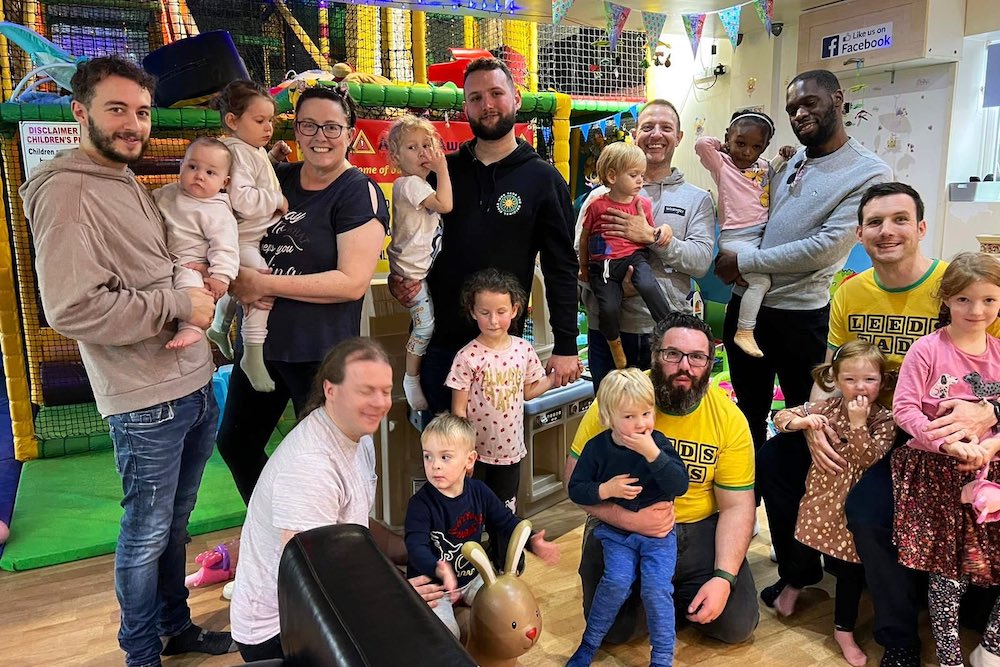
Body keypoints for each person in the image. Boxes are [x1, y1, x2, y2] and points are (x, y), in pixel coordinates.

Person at [20, 56, 233, 666]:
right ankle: (140, 652)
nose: (132, 124)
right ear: (80, 112)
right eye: (117, 109)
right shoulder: (65, 191)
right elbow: (71, 308)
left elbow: (160, 263)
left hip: (190, 384)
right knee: (145, 534)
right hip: (144, 399)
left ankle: (174, 627)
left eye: (141, 111)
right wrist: (180, 302)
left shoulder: (121, 178)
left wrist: (197, 290)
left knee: (174, 525)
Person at [758, 182, 1000, 667]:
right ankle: (800, 570)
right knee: (774, 460)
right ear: (860, 234)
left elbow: (988, 374)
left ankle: (899, 634)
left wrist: (989, 413)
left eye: (900, 220)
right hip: (856, 421)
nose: (887, 231)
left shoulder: (957, 292)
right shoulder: (851, 291)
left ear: (921, 228)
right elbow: (829, 372)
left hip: (916, 437)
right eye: (875, 222)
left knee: (869, 512)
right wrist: (815, 427)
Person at [217, 84, 389, 505]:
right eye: (308, 125)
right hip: (262, 346)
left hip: (319, 353)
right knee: (237, 445)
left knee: (322, 463)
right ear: (294, 130)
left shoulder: (356, 191)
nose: (320, 136)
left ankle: (325, 552)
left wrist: (264, 284)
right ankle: (276, 529)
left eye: (332, 126)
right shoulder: (280, 177)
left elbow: (351, 282)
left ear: (350, 132)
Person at [230, 338, 447, 661]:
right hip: (280, 629)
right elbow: (310, 584)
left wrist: (413, 549)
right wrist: (397, 598)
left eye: (385, 390)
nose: (380, 402)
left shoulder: (358, 437)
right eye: (365, 390)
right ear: (330, 390)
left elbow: (351, 528)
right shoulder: (310, 466)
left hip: (325, 593)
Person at [389, 58, 581, 414]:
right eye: (476, 98)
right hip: (442, 344)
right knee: (444, 459)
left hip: (501, 349)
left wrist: (566, 343)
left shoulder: (543, 179)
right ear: (466, 108)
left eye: (496, 93)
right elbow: (409, 236)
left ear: (516, 98)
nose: (487, 104)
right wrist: (397, 278)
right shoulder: (441, 174)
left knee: (500, 459)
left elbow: (561, 267)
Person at [715, 69, 893, 452]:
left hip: (800, 318)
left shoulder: (869, 171)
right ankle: (748, 500)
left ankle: (797, 506)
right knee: (746, 414)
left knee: (807, 415)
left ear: (838, 100)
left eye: (808, 103)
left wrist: (744, 262)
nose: (799, 115)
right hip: (748, 309)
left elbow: (824, 247)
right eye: (792, 109)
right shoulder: (791, 162)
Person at [565, 312, 759, 647]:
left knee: (736, 627)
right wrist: (628, 519)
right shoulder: (617, 400)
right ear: (655, 356)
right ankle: (657, 594)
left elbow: (737, 507)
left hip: (698, 530)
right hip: (621, 524)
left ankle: (666, 594)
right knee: (613, 634)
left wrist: (724, 578)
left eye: (697, 357)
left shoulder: (729, 419)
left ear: (710, 364)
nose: (685, 366)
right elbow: (574, 480)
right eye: (673, 354)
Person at [890, 253, 1000, 667]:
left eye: (989, 300)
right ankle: (950, 656)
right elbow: (905, 410)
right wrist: (946, 445)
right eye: (964, 300)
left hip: (990, 470)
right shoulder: (927, 350)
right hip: (934, 470)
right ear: (946, 299)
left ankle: (990, 647)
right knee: (948, 572)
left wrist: (989, 447)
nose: (977, 310)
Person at [769, 341, 896, 666]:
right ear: (836, 380)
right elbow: (781, 415)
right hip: (818, 503)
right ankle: (795, 585)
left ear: (881, 381)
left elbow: (867, 458)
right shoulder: (826, 408)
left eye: (868, 379)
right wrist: (802, 423)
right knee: (801, 550)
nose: (859, 387)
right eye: (849, 379)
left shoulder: (884, 419)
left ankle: (844, 630)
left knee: (851, 575)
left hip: (851, 513)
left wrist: (856, 425)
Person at [576, 100, 715, 390]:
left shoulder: (696, 199)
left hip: (666, 336)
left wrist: (651, 237)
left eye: (666, 128)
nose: (656, 135)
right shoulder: (599, 198)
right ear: (635, 134)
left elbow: (701, 262)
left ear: (678, 137)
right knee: (611, 423)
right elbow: (579, 254)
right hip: (609, 330)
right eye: (647, 127)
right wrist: (610, 288)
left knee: (663, 425)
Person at [566, 368, 689, 667]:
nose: (640, 424)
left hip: (659, 537)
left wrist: (653, 455)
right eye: (629, 417)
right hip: (616, 534)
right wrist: (605, 489)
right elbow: (576, 489)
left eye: (646, 414)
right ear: (608, 417)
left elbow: (679, 484)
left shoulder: (658, 443)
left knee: (657, 589)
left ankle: (662, 659)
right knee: (616, 583)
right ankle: (589, 644)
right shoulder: (597, 448)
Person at [404, 413, 560, 639]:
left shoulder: (479, 492)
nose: (435, 465)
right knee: (447, 634)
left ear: (469, 460)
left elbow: (506, 521)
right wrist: (437, 567)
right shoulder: (420, 504)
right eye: (428, 457)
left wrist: (533, 541)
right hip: (437, 588)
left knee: (505, 612)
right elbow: (415, 546)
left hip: (472, 578)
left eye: (445, 457)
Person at [205, 80, 290, 393]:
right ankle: (252, 355)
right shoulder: (237, 152)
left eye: (270, 121)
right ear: (232, 121)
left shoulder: (248, 149)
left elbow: (255, 176)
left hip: (243, 238)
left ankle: (218, 327)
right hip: (241, 239)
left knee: (235, 283)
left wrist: (271, 157)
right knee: (260, 288)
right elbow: (242, 197)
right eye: (259, 121)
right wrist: (277, 201)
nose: (268, 127)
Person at [448, 269, 553, 511]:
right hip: (476, 455)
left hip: (511, 452)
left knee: (505, 513)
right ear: (473, 312)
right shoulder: (467, 357)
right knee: (472, 513)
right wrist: (464, 454)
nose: (493, 320)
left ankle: (504, 550)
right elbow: (458, 410)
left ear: (515, 310)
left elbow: (528, 391)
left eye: (501, 312)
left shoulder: (523, 349)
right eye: (485, 313)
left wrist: (554, 380)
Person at [694, 111, 794, 358]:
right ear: (729, 138)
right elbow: (700, 144)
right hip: (735, 237)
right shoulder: (722, 164)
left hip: (759, 237)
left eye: (756, 146)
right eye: (740, 143)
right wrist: (724, 145)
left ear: (764, 147)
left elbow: (772, 174)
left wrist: (782, 157)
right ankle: (744, 331)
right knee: (762, 281)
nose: (747, 152)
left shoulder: (762, 166)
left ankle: (751, 326)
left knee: (759, 278)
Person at [578, 142, 672, 369]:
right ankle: (614, 344)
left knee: (649, 286)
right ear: (612, 176)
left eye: (641, 174)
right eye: (633, 175)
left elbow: (650, 234)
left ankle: (670, 328)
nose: (640, 180)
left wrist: (663, 230)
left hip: (634, 257)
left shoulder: (643, 204)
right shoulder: (596, 205)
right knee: (608, 308)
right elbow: (584, 237)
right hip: (605, 265)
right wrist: (583, 266)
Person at [385, 114, 453, 411]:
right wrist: (443, 168)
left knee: (423, 325)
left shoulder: (418, 185)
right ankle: (410, 378)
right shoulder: (410, 184)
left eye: (427, 145)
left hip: (416, 273)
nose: (423, 153)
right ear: (396, 157)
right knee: (425, 328)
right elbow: (446, 206)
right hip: (411, 276)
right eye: (412, 148)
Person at [153, 136, 239, 350]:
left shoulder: (216, 210)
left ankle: (191, 327)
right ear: (181, 167)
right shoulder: (167, 193)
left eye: (210, 173)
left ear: (224, 182)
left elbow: (226, 246)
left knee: (189, 285)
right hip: (164, 259)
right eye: (192, 167)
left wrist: (221, 276)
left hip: (191, 262)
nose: (199, 176)